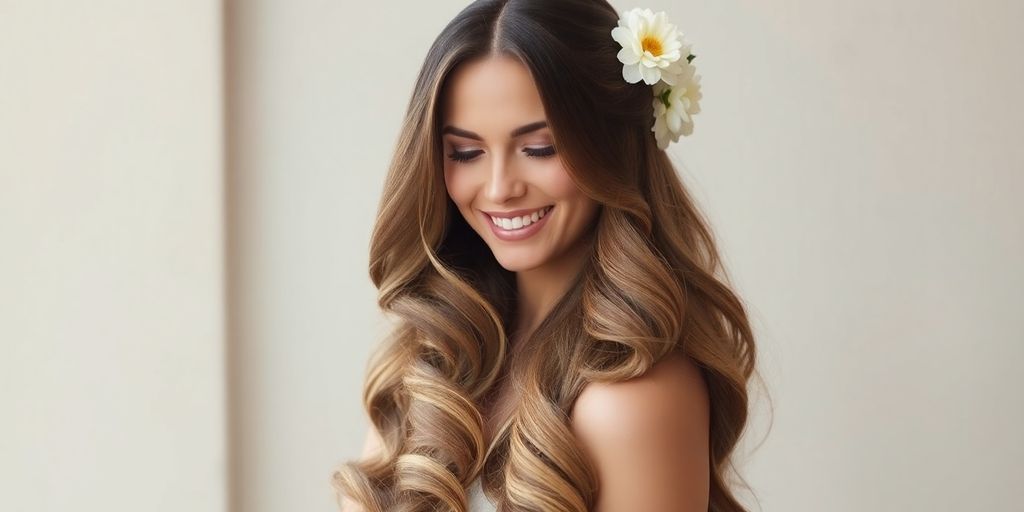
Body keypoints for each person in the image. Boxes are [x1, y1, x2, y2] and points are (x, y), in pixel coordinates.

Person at [333, 1, 762, 510]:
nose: (499, 189)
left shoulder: (631, 399)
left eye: (539, 148)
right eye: (467, 153)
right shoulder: (429, 361)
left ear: (611, 147)